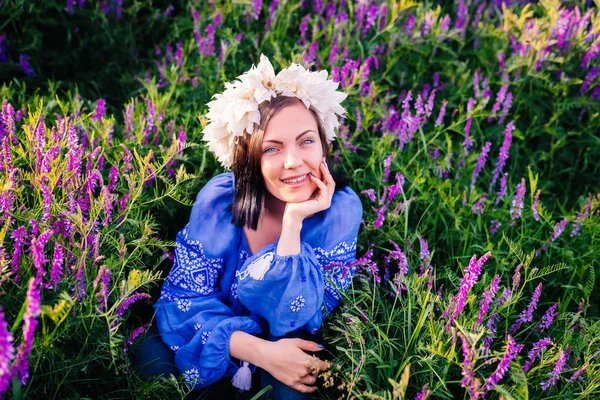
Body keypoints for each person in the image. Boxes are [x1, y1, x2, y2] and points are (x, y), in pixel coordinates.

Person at [148, 55, 362, 399]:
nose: (293, 161)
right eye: (272, 148)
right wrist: (258, 351)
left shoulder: (338, 213)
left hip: (287, 346)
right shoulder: (220, 201)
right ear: (248, 159)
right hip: (214, 338)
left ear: (323, 144)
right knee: (150, 362)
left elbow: (300, 319)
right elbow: (183, 300)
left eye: (306, 141)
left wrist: (292, 225)